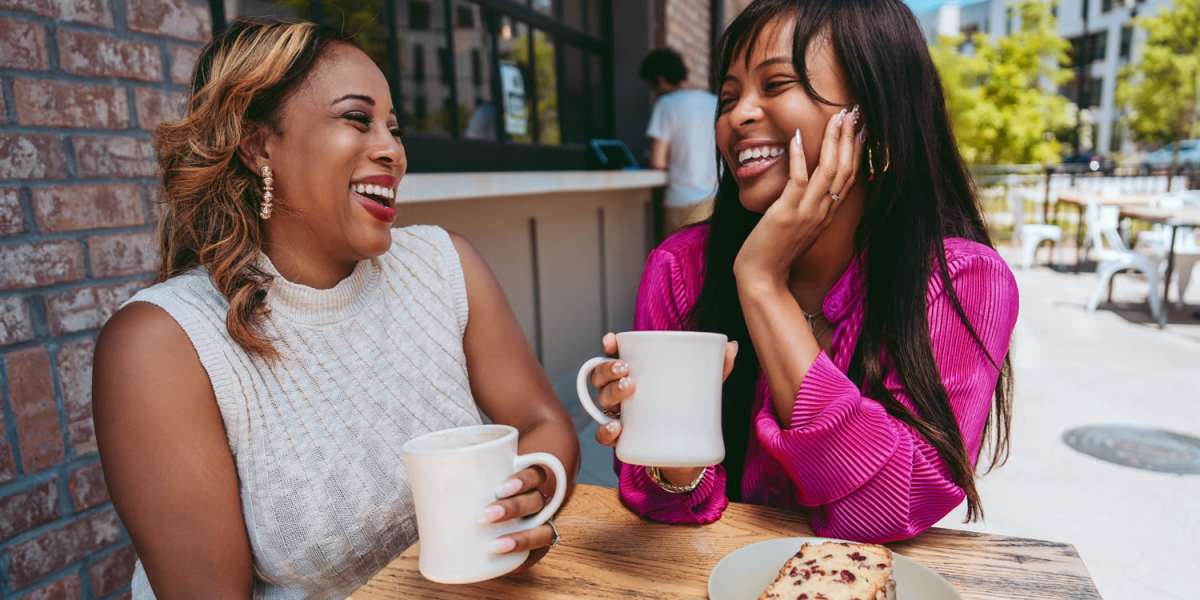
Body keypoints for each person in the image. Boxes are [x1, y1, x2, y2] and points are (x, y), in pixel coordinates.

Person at [92, 19, 578, 598]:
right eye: (357, 119)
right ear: (257, 144)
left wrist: (522, 504)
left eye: (393, 129)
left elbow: (542, 425)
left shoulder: (444, 265)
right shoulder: (162, 344)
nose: (392, 151)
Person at [591, 0, 1018, 543]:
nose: (738, 116)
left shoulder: (962, 282)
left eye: (775, 85)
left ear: (874, 118)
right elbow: (660, 498)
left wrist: (764, 285)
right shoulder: (681, 268)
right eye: (728, 96)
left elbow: (892, 508)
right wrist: (672, 456)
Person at [639, 48, 719, 234]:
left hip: (683, 202)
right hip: (717, 201)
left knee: (680, 262)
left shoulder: (666, 105)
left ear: (659, 80)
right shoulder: (715, 102)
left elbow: (657, 162)